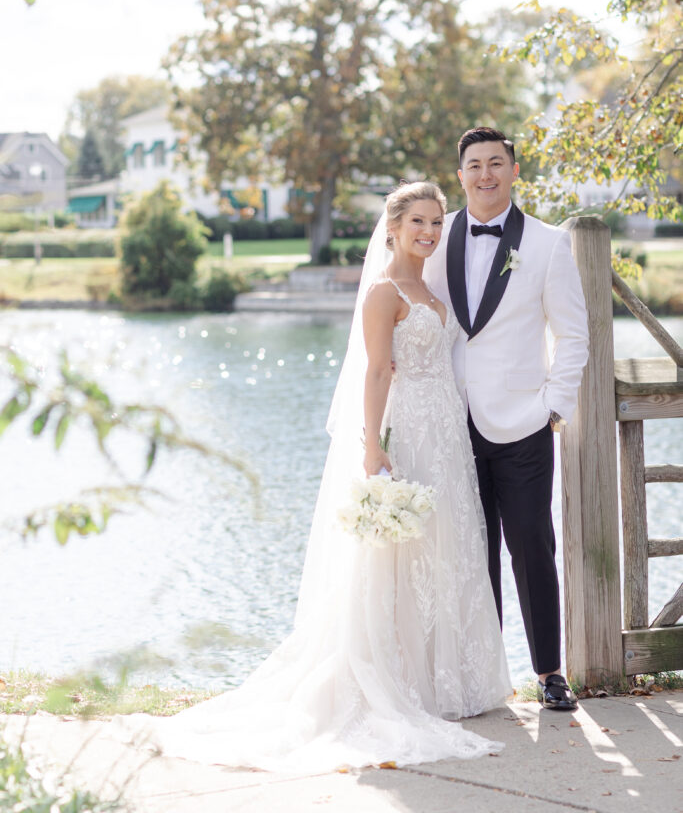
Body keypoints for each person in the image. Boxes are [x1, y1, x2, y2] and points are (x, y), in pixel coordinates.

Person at [111, 181, 510, 772]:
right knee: (398, 556)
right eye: (418, 222)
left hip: (447, 434)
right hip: (408, 433)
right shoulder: (383, 292)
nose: (428, 232)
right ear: (393, 228)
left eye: (436, 222)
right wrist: (371, 446)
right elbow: (376, 374)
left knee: (444, 546)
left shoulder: (430, 286)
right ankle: (401, 683)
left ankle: (448, 684)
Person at [424, 127, 589, 712]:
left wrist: (552, 408)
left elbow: (573, 337)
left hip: (522, 423)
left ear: (514, 171)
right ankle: (483, 676)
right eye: (474, 165)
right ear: (460, 174)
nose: (485, 174)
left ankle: (549, 672)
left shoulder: (545, 245)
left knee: (531, 547)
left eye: (497, 163)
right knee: (470, 551)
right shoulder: (433, 238)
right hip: (449, 422)